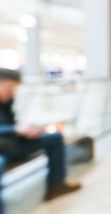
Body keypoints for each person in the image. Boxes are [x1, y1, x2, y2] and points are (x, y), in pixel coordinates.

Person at [0, 68, 81, 203]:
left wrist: (28, 129)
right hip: (4, 147)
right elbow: (10, 127)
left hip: (14, 143)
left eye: (13, 90)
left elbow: (12, 123)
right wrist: (14, 129)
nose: (11, 93)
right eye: (8, 89)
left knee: (55, 138)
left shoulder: (7, 100)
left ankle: (56, 185)